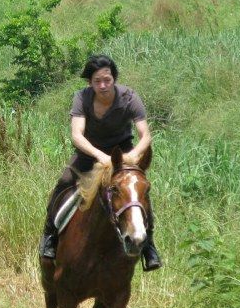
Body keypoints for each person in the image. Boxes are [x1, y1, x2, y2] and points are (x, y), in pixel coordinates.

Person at [38, 54, 161, 271]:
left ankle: (148, 246)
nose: (103, 85)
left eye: (107, 80)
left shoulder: (130, 97)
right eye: (97, 81)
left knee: (139, 194)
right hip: (88, 155)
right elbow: (77, 135)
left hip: (121, 154)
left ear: (114, 79)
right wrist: (99, 156)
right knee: (63, 183)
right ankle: (49, 236)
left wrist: (134, 155)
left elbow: (146, 135)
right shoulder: (81, 98)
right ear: (90, 83)